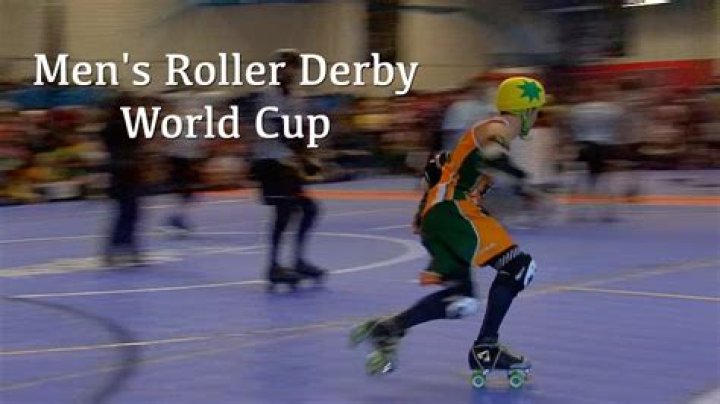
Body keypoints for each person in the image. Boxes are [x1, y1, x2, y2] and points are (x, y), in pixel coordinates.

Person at [350, 77, 546, 385]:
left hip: (441, 215)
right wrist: (522, 181)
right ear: (525, 110)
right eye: (536, 112)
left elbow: (440, 166)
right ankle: (486, 348)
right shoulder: (496, 127)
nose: (536, 119)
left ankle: (390, 328)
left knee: (462, 301)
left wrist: (425, 212)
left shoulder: (482, 134)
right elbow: (492, 152)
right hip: (454, 211)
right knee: (520, 267)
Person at [251, 49, 325, 288]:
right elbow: (282, 130)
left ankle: (296, 261)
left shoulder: (298, 97)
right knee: (284, 212)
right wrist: (305, 159)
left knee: (307, 209)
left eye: (293, 66)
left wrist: (310, 155)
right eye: (285, 65)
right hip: (270, 162)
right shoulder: (268, 95)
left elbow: (302, 129)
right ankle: (275, 266)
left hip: (288, 164)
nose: (289, 70)